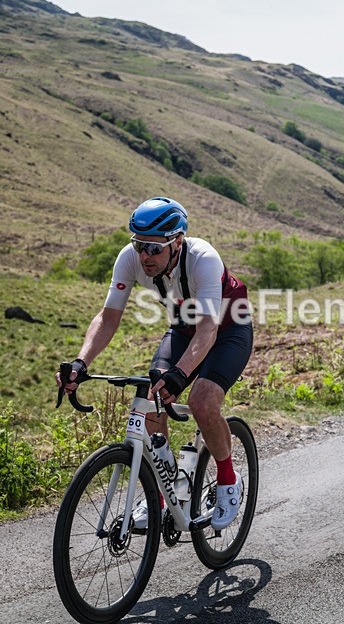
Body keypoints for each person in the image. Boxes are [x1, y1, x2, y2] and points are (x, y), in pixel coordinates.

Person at [56, 197, 253, 530]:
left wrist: (181, 374)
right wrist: (81, 361)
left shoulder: (203, 258)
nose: (144, 256)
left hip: (228, 329)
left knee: (201, 401)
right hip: (182, 329)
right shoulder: (130, 259)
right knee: (150, 404)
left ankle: (227, 479)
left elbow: (208, 329)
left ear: (176, 243)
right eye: (139, 245)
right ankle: (163, 495)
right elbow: (108, 318)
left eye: (153, 248)